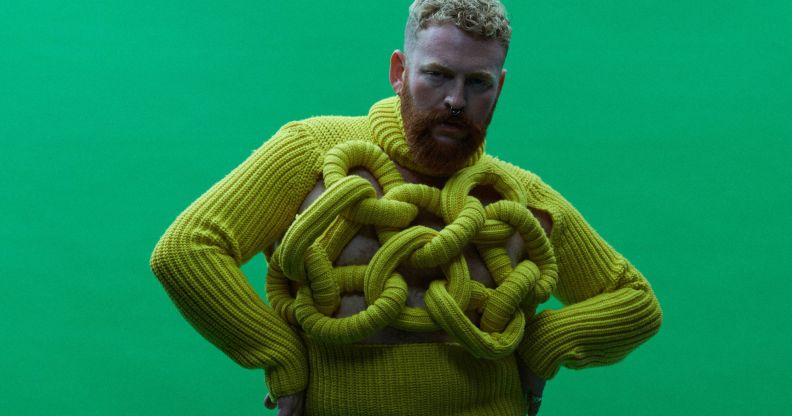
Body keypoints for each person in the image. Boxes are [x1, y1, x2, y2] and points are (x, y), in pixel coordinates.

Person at [150, 1, 663, 415]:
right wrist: (279, 355)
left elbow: (635, 303)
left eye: (477, 82)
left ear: (500, 87)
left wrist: (546, 341)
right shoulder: (311, 152)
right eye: (437, 75)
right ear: (399, 71)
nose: (455, 100)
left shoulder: (517, 197)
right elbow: (185, 250)